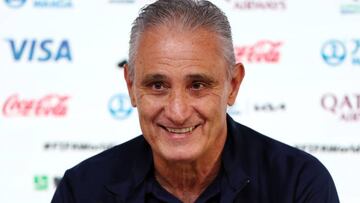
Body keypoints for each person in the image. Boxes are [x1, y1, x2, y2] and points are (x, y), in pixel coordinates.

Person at [51, 0, 340, 202]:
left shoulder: (298, 185)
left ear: (233, 85)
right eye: (157, 85)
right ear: (130, 86)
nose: (177, 112)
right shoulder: (82, 190)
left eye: (198, 85)